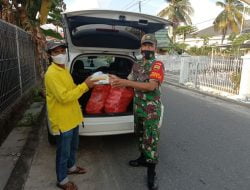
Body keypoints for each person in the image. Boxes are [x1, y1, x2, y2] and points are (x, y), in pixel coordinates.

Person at [109, 34, 164, 190]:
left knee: (150, 140)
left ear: (155, 48)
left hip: (151, 110)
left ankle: (151, 173)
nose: (146, 48)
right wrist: (115, 80)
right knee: (139, 135)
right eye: (144, 45)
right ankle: (142, 158)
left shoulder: (157, 65)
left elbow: (151, 87)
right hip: (138, 106)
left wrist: (126, 82)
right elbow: (129, 80)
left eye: (150, 45)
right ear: (141, 47)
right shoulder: (137, 64)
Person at [45, 40, 98, 190]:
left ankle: (72, 167)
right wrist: (85, 86)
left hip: (73, 117)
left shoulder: (64, 70)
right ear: (50, 55)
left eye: (62, 51)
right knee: (63, 152)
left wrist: (85, 86)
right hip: (62, 121)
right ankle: (62, 180)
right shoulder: (52, 74)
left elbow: (72, 89)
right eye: (56, 52)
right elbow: (64, 97)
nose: (61, 54)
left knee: (73, 147)